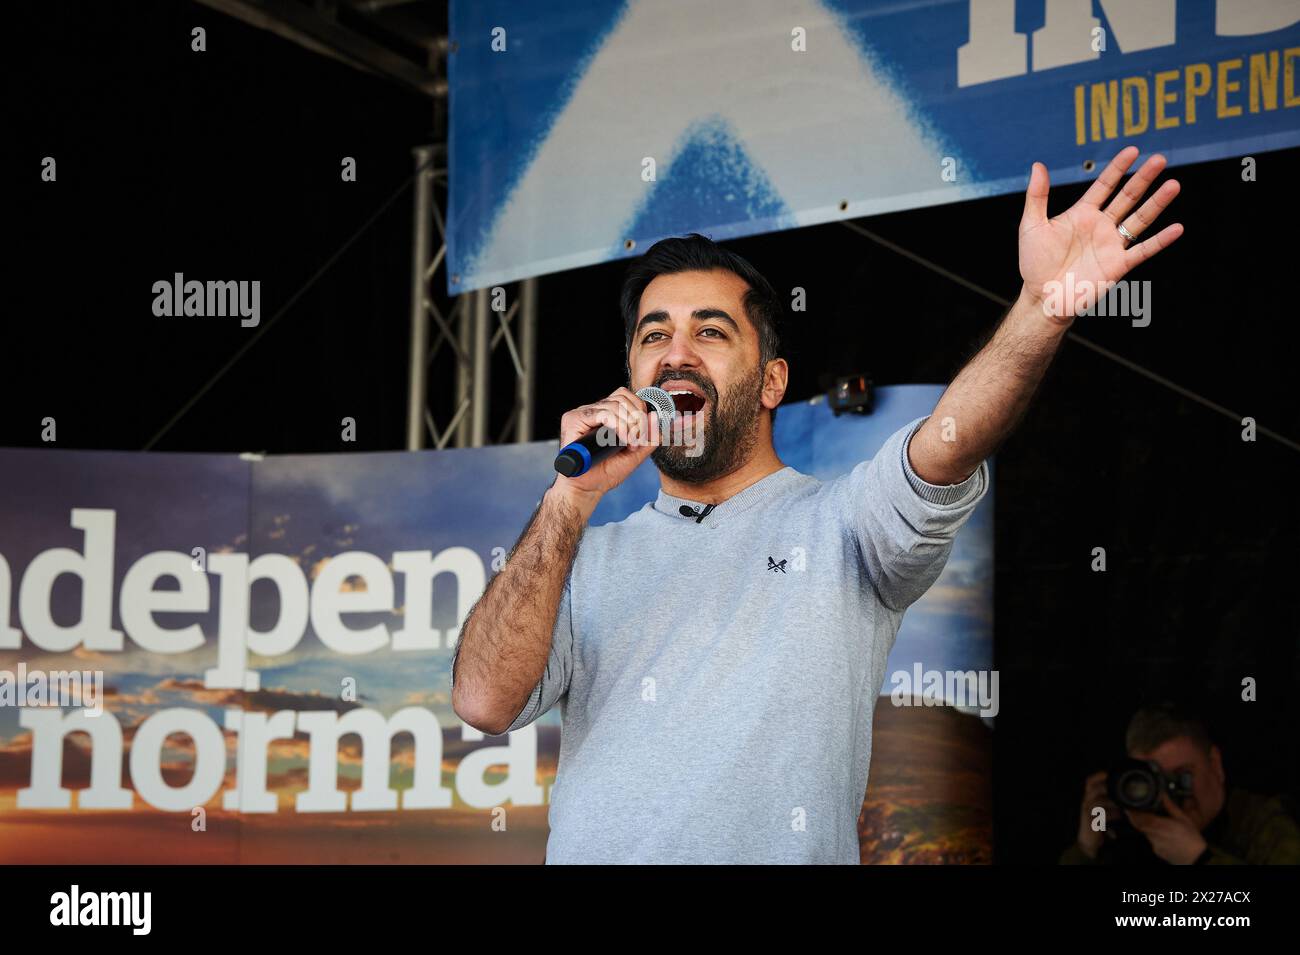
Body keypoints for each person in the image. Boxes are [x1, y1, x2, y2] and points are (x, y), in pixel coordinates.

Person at [453, 146, 1184, 864]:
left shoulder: (841, 523)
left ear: (772, 381)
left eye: (710, 331)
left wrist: (1039, 310)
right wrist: (567, 498)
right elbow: (483, 701)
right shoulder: (582, 553)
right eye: (654, 335)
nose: (676, 353)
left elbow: (946, 445)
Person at [1062, 701, 1300, 865]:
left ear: (1216, 764)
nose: (1169, 794)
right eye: (1153, 781)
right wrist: (1086, 850)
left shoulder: (1266, 824)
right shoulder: (1127, 831)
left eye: (1182, 776)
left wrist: (1199, 859)